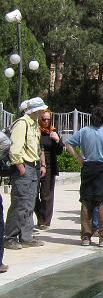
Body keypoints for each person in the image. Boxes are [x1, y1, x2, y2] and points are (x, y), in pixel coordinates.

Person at [64, 106, 103, 247]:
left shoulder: (84, 131)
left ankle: (86, 236)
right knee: (102, 203)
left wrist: (79, 158)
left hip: (88, 168)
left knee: (87, 201)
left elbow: (68, 143)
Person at [3, 97, 48, 250]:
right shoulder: (22, 124)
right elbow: (15, 149)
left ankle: (26, 236)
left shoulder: (34, 124)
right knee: (20, 204)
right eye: (41, 109)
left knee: (29, 203)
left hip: (33, 167)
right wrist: (21, 167)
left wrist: (41, 164)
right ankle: (10, 237)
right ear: (34, 110)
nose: (43, 111)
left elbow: (36, 147)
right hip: (24, 168)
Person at [34, 110, 63, 230]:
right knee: (33, 194)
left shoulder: (53, 132)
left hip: (50, 166)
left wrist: (57, 140)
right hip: (35, 165)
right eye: (43, 119)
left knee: (46, 195)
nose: (46, 122)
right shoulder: (35, 131)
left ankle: (44, 221)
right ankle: (40, 215)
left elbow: (59, 151)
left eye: (48, 119)